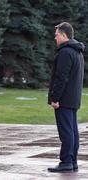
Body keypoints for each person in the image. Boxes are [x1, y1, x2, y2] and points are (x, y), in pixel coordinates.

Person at [47, 22, 84, 173]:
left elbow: (61, 77)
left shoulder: (65, 52)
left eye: (56, 35)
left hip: (64, 100)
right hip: (73, 99)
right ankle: (72, 161)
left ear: (63, 35)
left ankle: (66, 161)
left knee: (66, 132)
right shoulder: (77, 52)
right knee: (72, 131)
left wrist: (55, 98)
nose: (55, 38)